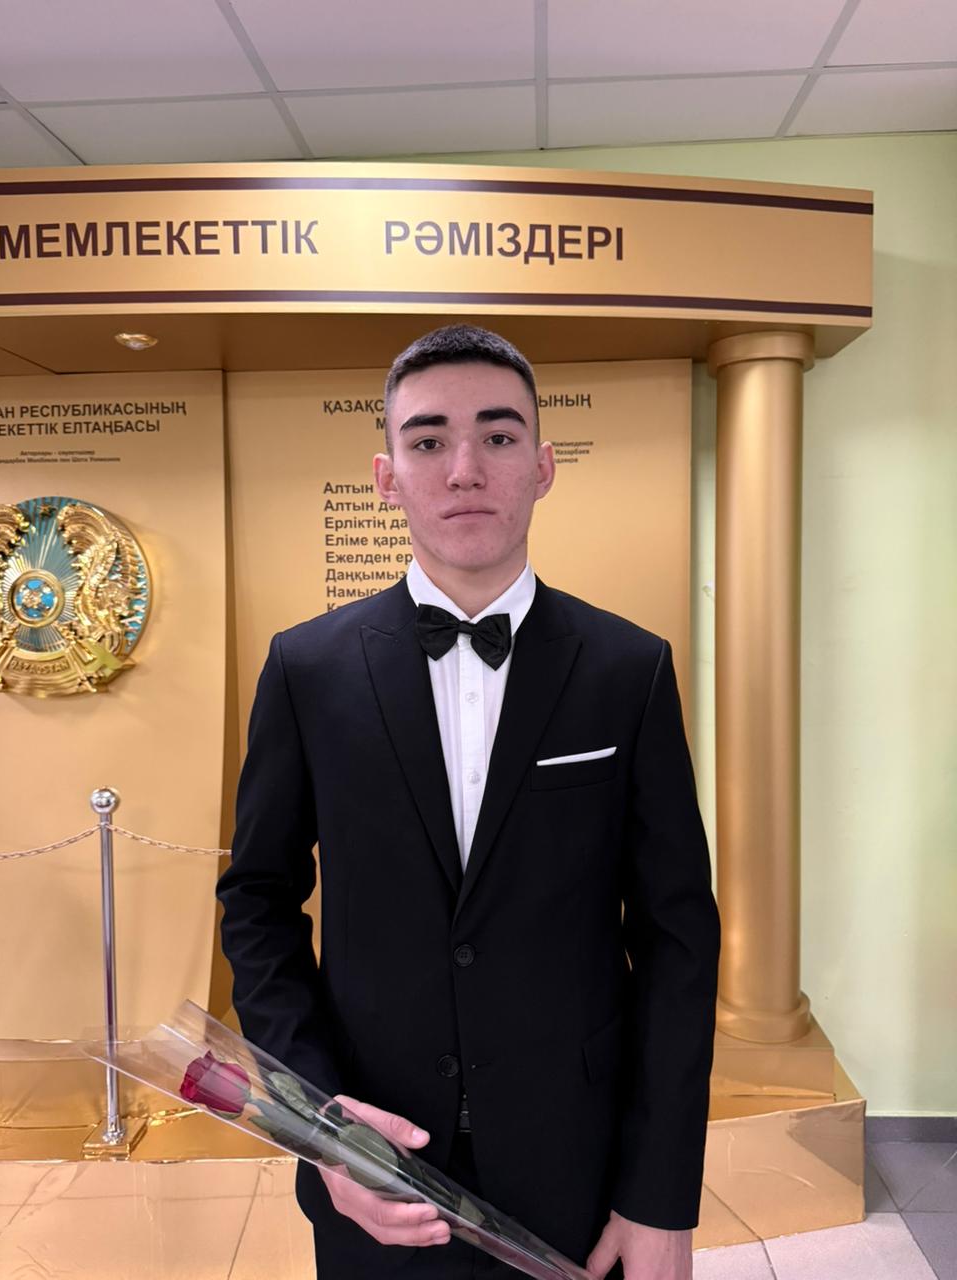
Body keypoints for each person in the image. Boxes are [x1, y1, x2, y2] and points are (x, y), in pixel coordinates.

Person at [217, 324, 721, 1280]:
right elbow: (258, 904)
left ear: (543, 466)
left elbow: (676, 939)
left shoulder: (629, 669)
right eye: (428, 440)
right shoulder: (306, 669)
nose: (464, 470)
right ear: (387, 476)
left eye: (497, 436)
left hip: (580, 1164)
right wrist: (322, 1126)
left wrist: (660, 1196)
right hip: (376, 1162)